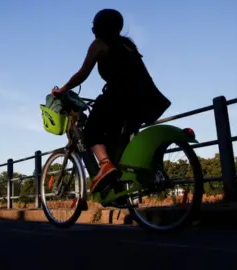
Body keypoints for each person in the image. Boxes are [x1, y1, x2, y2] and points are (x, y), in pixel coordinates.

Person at [51, 8, 171, 194]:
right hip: (146, 98)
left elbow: (83, 72)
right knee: (119, 140)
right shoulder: (127, 45)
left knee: (91, 130)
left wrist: (63, 89)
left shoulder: (99, 43)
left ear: (96, 27)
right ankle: (124, 184)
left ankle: (105, 165)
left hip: (120, 95)